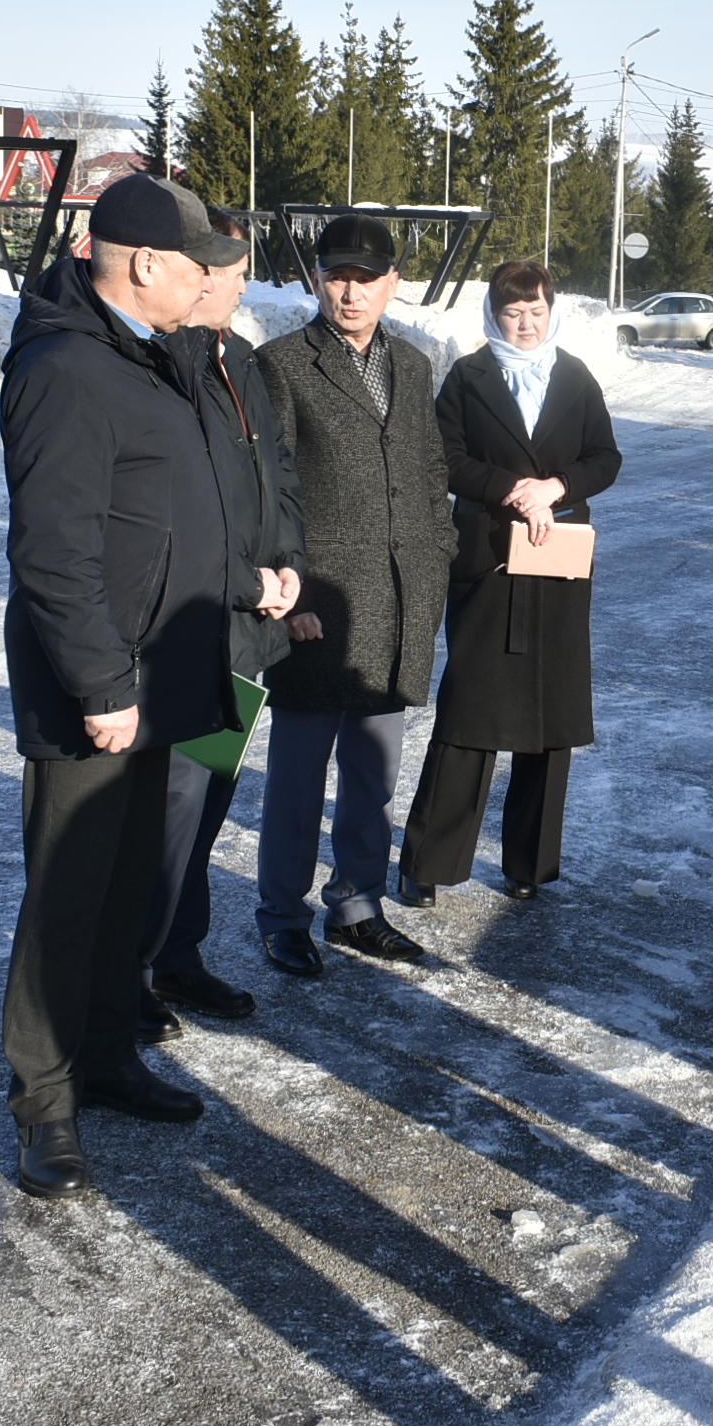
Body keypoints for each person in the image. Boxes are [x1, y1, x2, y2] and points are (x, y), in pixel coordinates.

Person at [0, 175, 249, 1205]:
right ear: (144, 263)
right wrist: (101, 682)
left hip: (160, 677)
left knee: (122, 889)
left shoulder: (149, 352)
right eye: (198, 265)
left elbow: (168, 511)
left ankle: (105, 1054)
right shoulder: (66, 365)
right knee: (68, 899)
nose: (211, 282)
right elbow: (52, 551)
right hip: (99, 690)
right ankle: (44, 1100)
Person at [252, 216, 455, 971]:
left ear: (392, 283)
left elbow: (429, 473)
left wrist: (436, 560)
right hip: (319, 604)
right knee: (298, 781)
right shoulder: (282, 363)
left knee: (373, 776)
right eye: (337, 275)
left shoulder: (413, 364)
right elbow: (271, 489)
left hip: (398, 602)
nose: (350, 291)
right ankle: (283, 915)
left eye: (366, 278)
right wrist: (290, 592)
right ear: (316, 279)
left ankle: (357, 906)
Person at [397, 261, 621, 901]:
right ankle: (429, 864)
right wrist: (512, 489)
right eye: (512, 312)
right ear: (493, 315)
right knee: (471, 709)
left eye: (536, 311)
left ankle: (529, 865)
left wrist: (558, 486)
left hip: (557, 561)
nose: (525, 324)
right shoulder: (468, 378)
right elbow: (442, 456)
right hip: (489, 557)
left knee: (551, 715)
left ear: (553, 312)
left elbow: (605, 457)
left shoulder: (575, 377)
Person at [136, 218, 302, 1010]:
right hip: (196, 629)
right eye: (234, 273)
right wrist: (247, 583)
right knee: (168, 812)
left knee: (206, 806)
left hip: (245, 635)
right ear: (199, 276)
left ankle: (178, 953)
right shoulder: (168, 366)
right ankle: (130, 974)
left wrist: (290, 563)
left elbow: (279, 476)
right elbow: (177, 517)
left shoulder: (242, 360)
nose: (241, 287)